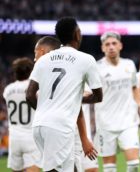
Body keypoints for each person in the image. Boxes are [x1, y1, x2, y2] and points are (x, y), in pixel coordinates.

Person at [26, 17, 103, 171]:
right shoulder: (86, 60)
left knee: (67, 168)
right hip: (60, 126)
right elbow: (98, 96)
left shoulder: (43, 60)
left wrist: (45, 109)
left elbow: (29, 95)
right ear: (77, 34)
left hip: (39, 125)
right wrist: (74, 98)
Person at [94, 31, 140, 172]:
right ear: (102, 48)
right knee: (109, 169)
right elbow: (89, 93)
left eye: (114, 43)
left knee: (135, 164)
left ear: (120, 46)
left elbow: (134, 88)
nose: (111, 47)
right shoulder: (96, 68)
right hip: (105, 124)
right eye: (107, 44)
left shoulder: (129, 64)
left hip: (128, 122)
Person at [3, 57, 41, 172]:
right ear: (31, 71)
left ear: (15, 73)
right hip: (31, 137)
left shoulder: (8, 89)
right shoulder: (34, 89)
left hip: (14, 137)